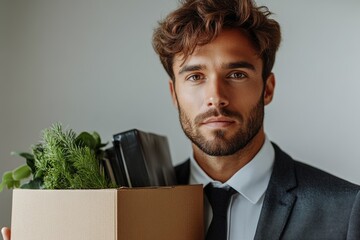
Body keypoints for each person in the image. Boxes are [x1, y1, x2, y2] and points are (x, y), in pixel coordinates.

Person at [2, 0, 360, 239]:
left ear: (267, 88)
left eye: (236, 74)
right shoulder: (128, 209)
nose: (215, 96)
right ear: (174, 94)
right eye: (195, 76)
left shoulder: (346, 211)